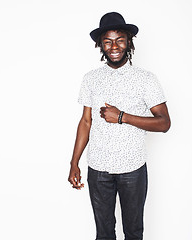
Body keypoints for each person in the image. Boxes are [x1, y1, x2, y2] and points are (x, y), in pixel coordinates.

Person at [68, 12, 171, 240]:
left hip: (132, 169)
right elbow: (86, 121)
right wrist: (74, 162)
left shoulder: (146, 79)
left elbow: (164, 123)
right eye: (107, 41)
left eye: (120, 39)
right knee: (104, 234)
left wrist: (122, 116)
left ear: (129, 42)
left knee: (133, 233)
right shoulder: (91, 79)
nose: (114, 46)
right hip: (98, 168)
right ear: (100, 46)